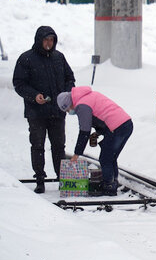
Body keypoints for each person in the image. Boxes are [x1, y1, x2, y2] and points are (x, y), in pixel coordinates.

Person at [12, 26, 76, 193]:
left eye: (51, 40)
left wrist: (66, 95)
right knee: (37, 146)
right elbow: (19, 84)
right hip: (36, 113)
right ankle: (40, 179)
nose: (49, 43)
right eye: (46, 39)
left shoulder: (59, 57)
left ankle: (62, 179)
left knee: (58, 146)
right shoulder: (26, 59)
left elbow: (70, 78)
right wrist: (34, 96)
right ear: (39, 40)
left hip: (57, 111)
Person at [57, 86, 133, 196]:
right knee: (111, 156)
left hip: (117, 128)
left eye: (68, 109)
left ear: (69, 103)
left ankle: (109, 186)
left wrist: (77, 154)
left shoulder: (82, 106)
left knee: (105, 158)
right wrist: (97, 133)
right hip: (126, 124)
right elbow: (103, 116)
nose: (69, 112)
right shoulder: (90, 95)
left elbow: (84, 132)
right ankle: (112, 182)